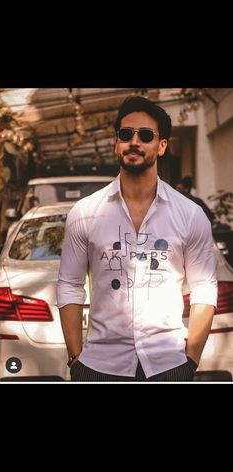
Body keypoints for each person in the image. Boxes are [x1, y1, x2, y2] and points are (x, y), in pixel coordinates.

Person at [57, 96, 217, 382]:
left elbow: (205, 287)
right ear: (116, 143)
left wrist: (191, 357)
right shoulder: (85, 213)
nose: (134, 142)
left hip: (169, 365)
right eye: (125, 134)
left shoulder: (190, 215)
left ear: (162, 145)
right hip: (99, 367)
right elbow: (69, 285)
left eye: (145, 135)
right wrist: (75, 358)